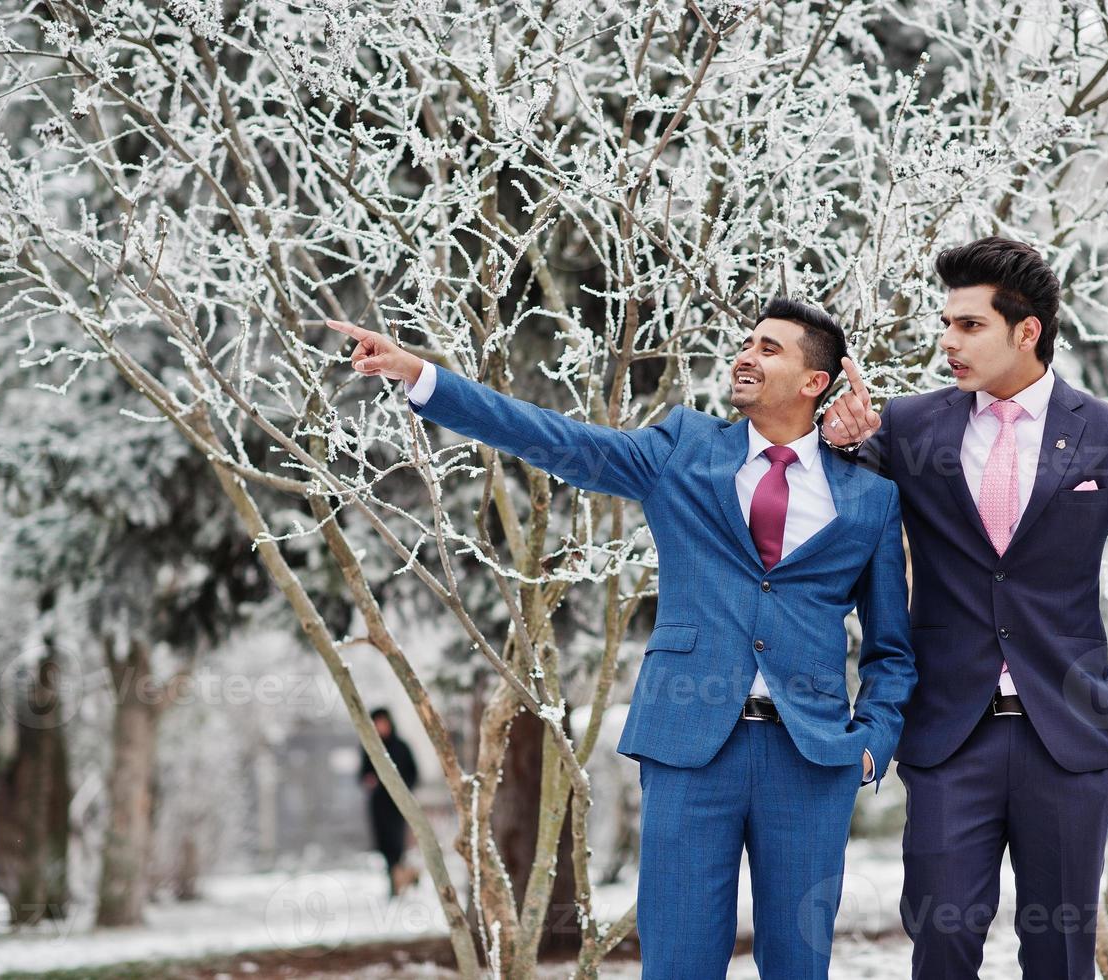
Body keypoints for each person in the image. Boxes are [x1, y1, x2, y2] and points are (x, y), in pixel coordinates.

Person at [327, 299, 916, 979]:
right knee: (677, 963)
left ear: (815, 381)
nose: (745, 356)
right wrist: (423, 377)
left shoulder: (868, 496)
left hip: (810, 761)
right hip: (690, 751)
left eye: (770, 349)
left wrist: (869, 747)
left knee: (798, 965)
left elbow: (890, 650)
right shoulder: (684, 450)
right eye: (746, 343)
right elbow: (559, 440)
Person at [821, 236, 1108, 979]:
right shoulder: (908, 427)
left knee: (1058, 956)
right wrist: (838, 446)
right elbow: (832, 521)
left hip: (1072, 742)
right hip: (947, 738)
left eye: (968, 325)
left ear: (1026, 331)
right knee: (940, 945)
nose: (947, 341)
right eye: (946, 322)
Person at [359, 707, 420, 897]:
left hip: (398, 804)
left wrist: (402, 789)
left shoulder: (401, 747)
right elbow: (362, 774)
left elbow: (414, 775)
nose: (380, 726)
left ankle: (400, 881)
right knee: (384, 846)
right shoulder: (370, 747)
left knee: (397, 845)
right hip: (378, 805)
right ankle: (401, 879)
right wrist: (369, 780)